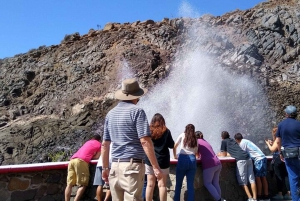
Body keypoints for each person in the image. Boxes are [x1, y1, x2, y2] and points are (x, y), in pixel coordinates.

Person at [101, 78, 163, 201]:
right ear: (136, 97)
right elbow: (145, 141)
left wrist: (105, 168)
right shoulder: (137, 111)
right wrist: (156, 168)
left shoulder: (110, 114)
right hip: (132, 167)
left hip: (114, 167)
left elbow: (105, 145)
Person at [271, 105, 300, 201]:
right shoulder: (298, 124)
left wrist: (280, 153)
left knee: (293, 178)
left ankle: (296, 199)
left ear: (286, 114)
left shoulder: (281, 125)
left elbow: (278, 141)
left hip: (287, 154)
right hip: (299, 153)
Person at [217, 131, 257, 201]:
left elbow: (224, 155)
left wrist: (218, 154)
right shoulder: (232, 140)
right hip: (248, 158)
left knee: (242, 181)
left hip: (241, 160)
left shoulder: (224, 142)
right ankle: (255, 198)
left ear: (222, 137)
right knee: (252, 179)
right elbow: (235, 151)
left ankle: (250, 198)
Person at [145, 113, 174, 201]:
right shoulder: (166, 131)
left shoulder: (148, 131)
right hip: (163, 160)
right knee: (162, 185)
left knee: (150, 184)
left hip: (150, 160)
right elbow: (171, 145)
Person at [64, 134, 101, 201]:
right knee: (83, 184)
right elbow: (97, 157)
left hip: (72, 160)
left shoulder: (87, 142)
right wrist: (91, 156)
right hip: (81, 161)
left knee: (69, 184)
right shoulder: (99, 144)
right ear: (99, 140)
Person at [234, 133, 270, 201]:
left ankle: (259, 196)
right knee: (263, 178)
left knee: (258, 178)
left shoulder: (242, 143)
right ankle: (266, 195)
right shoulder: (246, 141)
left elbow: (242, 153)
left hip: (258, 160)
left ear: (236, 140)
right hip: (262, 158)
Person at [196, 131, 225, 201]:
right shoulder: (205, 141)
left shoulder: (197, 142)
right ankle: (220, 198)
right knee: (215, 183)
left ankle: (219, 199)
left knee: (207, 183)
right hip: (218, 163)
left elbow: (196, 153)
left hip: (209, 165)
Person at [173, 124, 198, 201]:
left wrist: (175, 156)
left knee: (178, 185)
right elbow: (196, 152)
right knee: (190, 185)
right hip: (192, 160)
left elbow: (174, 146)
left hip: (182, 159)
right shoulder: (195, 138)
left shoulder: (182, 135)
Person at [265, 127, 291, 200]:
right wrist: (272, 143)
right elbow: (278, 146)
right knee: (286, 176)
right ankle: (288, 194)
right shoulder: (285, 138)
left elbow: (272, 149)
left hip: (278, 159)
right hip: (285, 158)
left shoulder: (278, 139)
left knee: (278, 176)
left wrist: (268, 144)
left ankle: (280, 194)